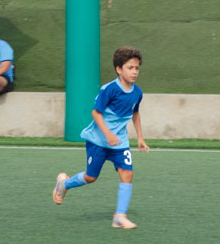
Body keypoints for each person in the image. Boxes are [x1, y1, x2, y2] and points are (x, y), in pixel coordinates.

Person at [52, 46, 149, 229]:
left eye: (137, 68)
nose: (134, 72)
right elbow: (96, 113)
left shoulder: (137, 92)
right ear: (118, 69)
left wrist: (140, 137)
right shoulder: (109, 89)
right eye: (130, 68)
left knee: (127, 174)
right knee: (91, 177)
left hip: (120, 142)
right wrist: (108, 134)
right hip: (98, 140)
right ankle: (63, 184)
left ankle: (119, 217)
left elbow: (135, 114)